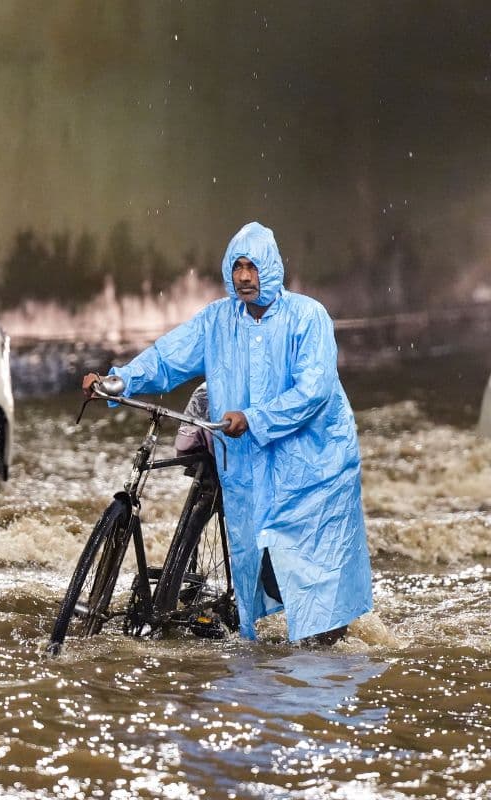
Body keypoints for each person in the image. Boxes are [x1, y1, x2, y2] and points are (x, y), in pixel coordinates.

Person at [82, 221, 372, 645]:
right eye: (236, 266)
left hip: (315, 467)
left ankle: (325, 669)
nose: (243, 277)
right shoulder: (217, 321)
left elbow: (314, 391)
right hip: (249, 463)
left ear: (271, 269)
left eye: (252, 266)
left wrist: (254, 417)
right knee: (263, 565)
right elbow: (169, 356)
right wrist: (120, 380)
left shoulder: (307, 318)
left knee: (316, 578)